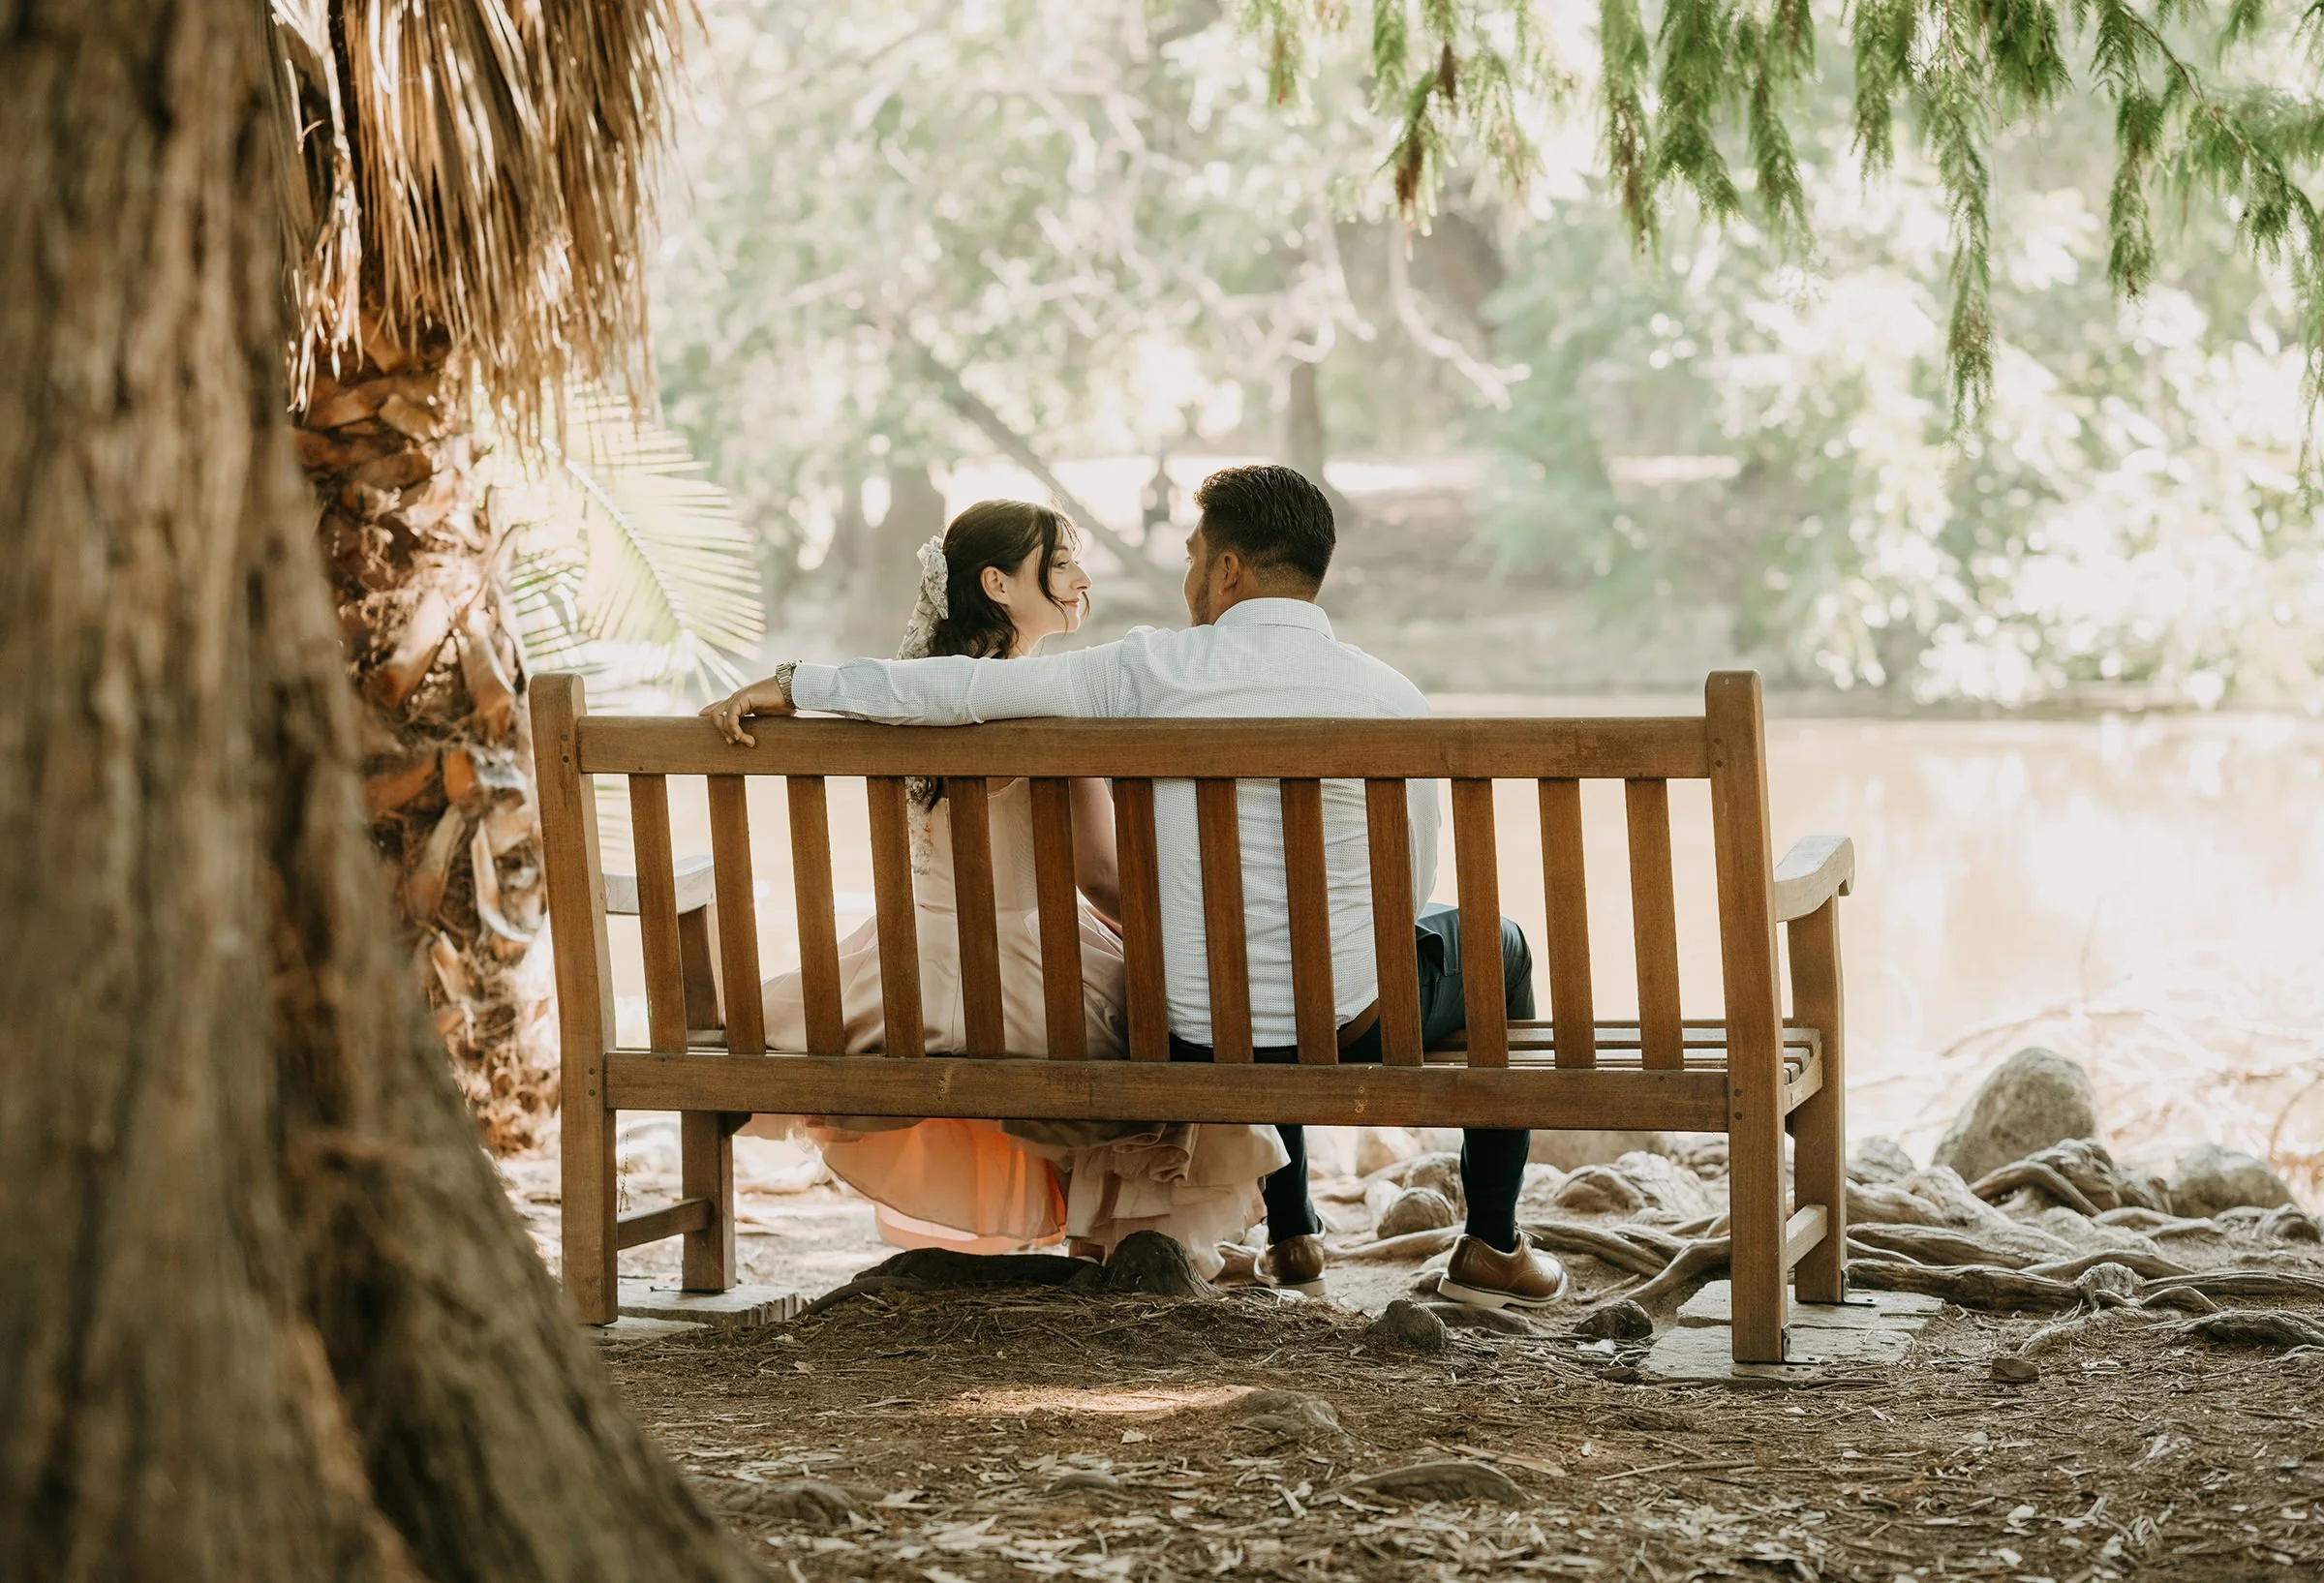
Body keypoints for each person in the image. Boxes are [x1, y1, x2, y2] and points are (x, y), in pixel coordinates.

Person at [707, 467, 1567, 1310]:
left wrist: (799, 682)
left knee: (1245, 949)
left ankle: (1291, 1226)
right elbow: (1402, 888)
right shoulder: (1393, 698)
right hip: (1348, 1024)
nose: (1187, 576)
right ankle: (1491, 1244)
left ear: (1228, 569)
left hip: (1192, 1032)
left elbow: (962, 687)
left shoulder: (1148, 672)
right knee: (1494, 944)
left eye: (1194, 555)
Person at [736, 501, 1286, 1273]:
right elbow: (1098, 875)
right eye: (1061, 564)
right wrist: (1181, 933)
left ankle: (1125, 1240)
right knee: (1177, 1012)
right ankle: (1137, 1237)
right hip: (1028, 985)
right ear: (997, 582)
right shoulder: (1046, 698)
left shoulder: (916, 695)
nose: (1081, 579)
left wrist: (795, 683)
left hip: (904, 977)